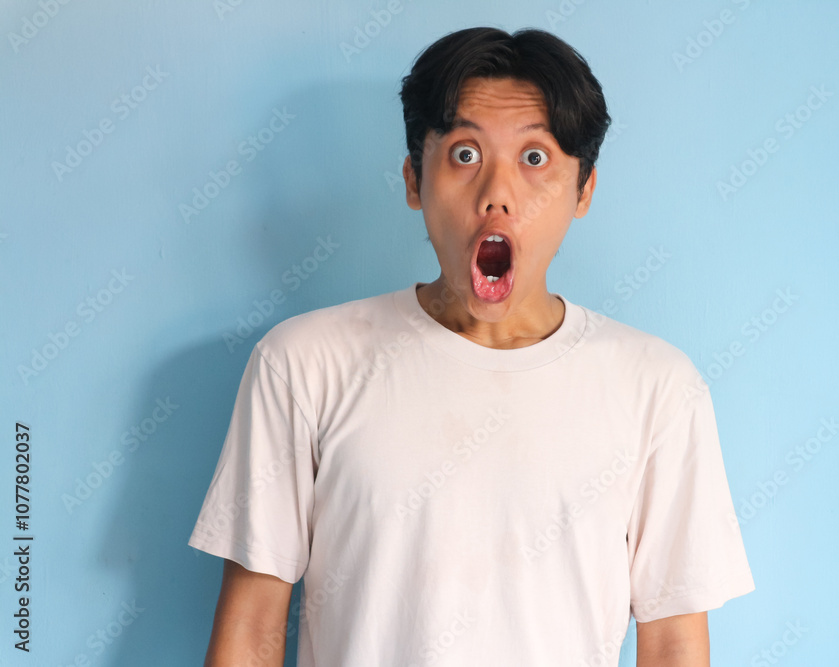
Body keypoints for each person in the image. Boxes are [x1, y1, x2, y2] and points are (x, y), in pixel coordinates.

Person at [188, 26, 755, 666]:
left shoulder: (658, 389)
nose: (497, 193)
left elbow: (675, 643)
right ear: (413, 180)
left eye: (535, 158)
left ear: (584, 191)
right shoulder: (303, 364)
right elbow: (253, 624)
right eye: (464, 154)